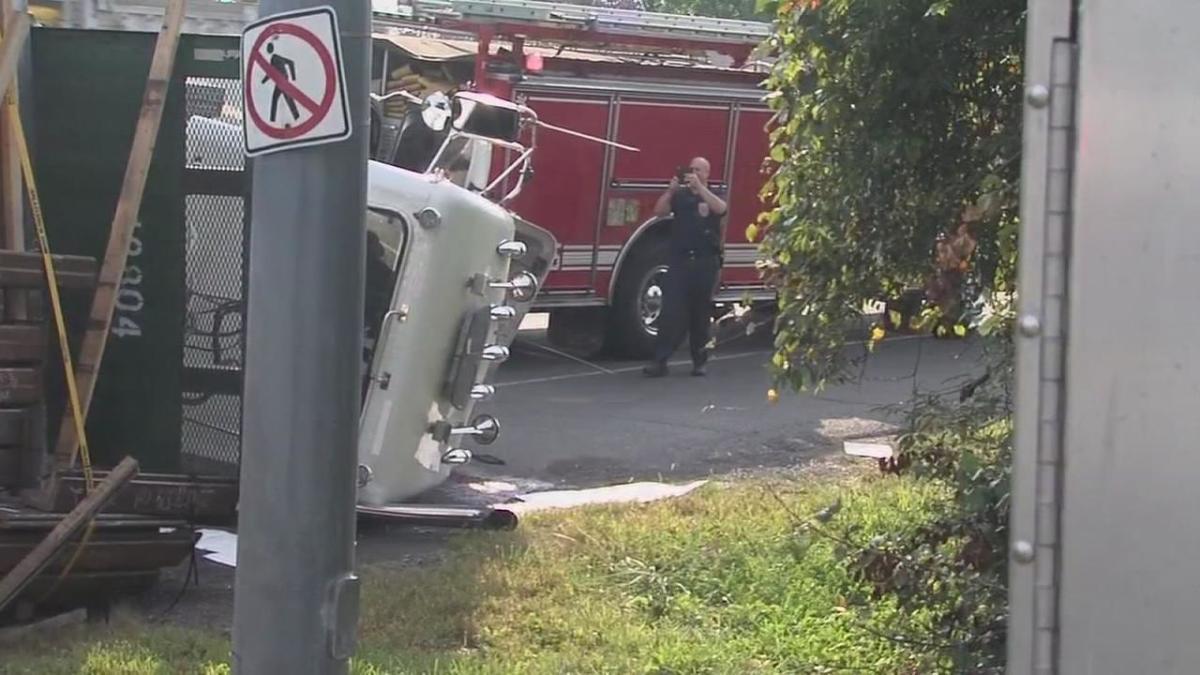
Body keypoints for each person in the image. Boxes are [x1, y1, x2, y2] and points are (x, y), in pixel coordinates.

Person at [643, 157, 728, 377]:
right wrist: (670, 192)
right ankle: (659, 361)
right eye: (692, 169)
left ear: (707, 173)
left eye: (699, 170)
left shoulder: (713, 195)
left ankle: (700, 362)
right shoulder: (680, 196)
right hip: (679, 261)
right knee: (671, 313)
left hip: (704, 262)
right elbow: (659, 211)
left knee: (700, 315)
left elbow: (721, 209)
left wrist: (700, 189)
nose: (694, 173)